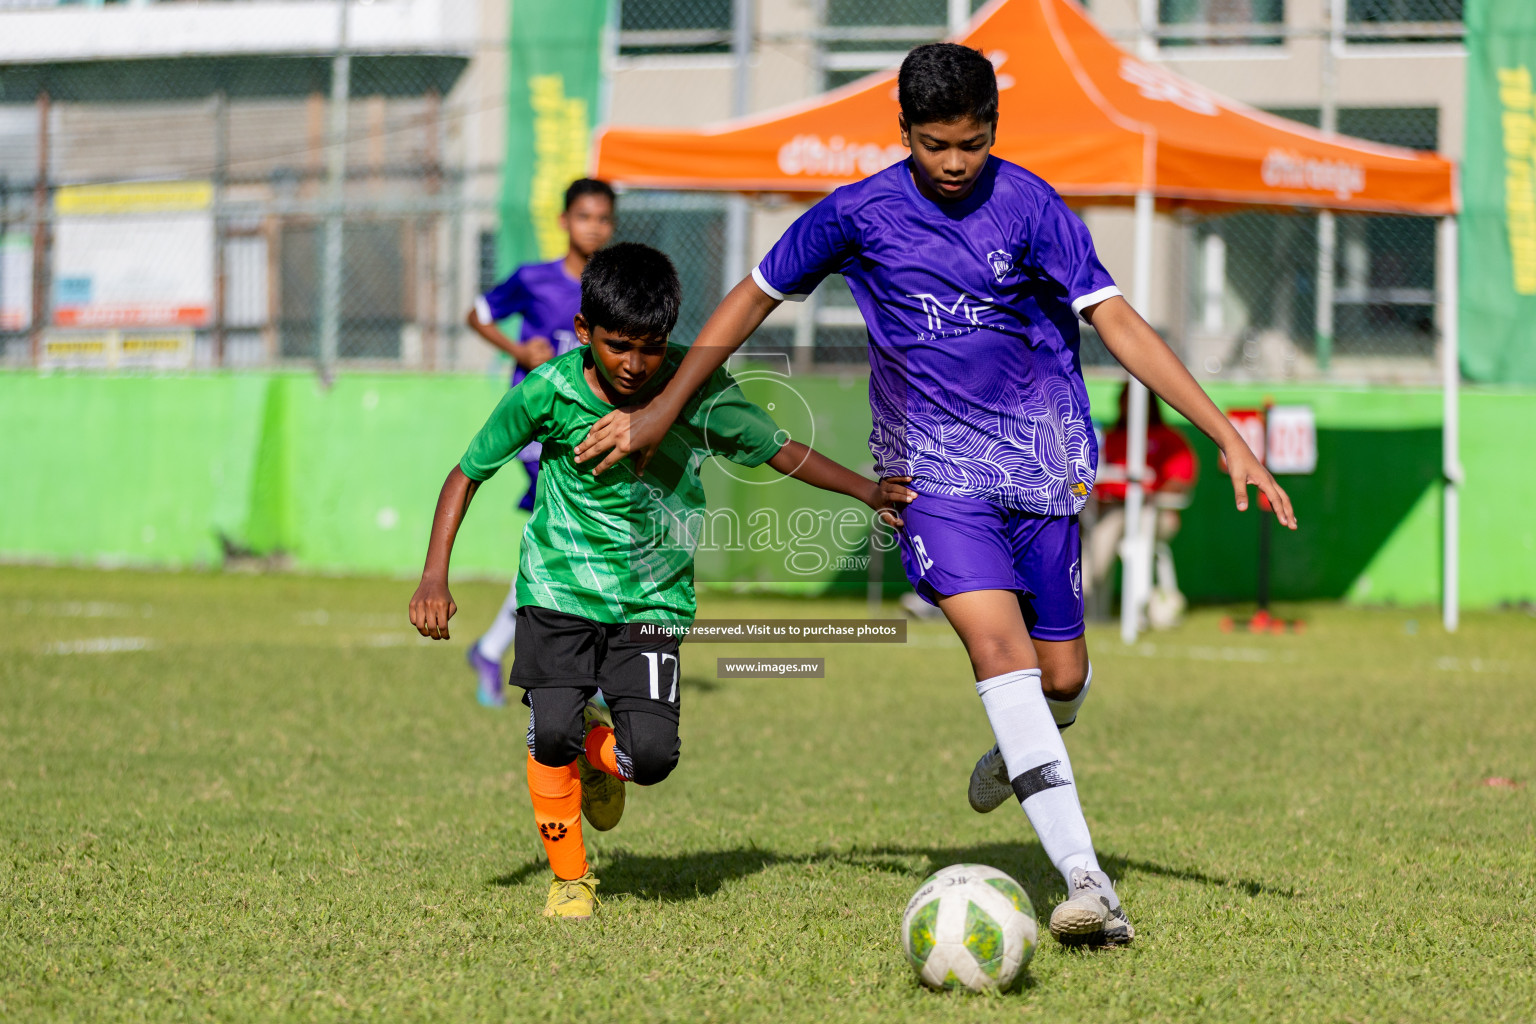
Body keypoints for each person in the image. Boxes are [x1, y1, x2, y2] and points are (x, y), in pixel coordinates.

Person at [571, 44, 1296, 946]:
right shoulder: (858, 213)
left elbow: (1116, 321)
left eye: (974, 142)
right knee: (998, 649)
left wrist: (1225, 435)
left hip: (1041, 466)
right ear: (903, 130)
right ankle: (1088, 882)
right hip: (933, 479)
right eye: (935, 144)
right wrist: (657, 412)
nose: (955, 163)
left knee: (1060, 676)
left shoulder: (1030, 205)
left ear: (996, 128)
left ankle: (1023, 743)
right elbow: (747, 301)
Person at [408, 243, 912, 921]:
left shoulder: (694, 392)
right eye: (618, 346)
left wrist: (866, 491)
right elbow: (468, 470)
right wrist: (433, 574)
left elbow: (778, 447)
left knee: (650, 758)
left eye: (650, 347)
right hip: (558, 587)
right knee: (547, 731)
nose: (635, 365)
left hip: (653, 599)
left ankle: (597, 749)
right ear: (584, 332)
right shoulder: (549, 391)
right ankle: (570, 880)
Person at [464, 178, 617, 708]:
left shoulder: (612, 290)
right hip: (538, 426)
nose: (593, 227)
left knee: (566, 541)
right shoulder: (535, 279)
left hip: (586, 425)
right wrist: (517, 350)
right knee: (569, 534)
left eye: (603, 219)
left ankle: (493, 649)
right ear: (564, 221)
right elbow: (477, 314)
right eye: (584, 217)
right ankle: (569, 667)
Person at [1086, 385, 1199, 629]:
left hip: (1156, 516)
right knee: (1089, 523)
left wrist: (1147, 494)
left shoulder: (1170, 439)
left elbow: (1180, 483)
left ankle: (1133, 604)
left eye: (1132, 400)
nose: (1126, 406)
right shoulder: (1111, 438)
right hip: (1108, 510)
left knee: (1114, 524)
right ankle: (1086, 600)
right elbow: (1092, 482)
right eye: (1123, 400)